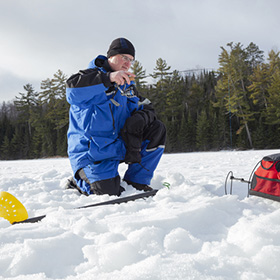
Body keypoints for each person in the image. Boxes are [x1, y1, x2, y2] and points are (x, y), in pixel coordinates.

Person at [66, 38, 166, 196]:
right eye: (124, 57)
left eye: (131, 60)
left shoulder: (126, 86)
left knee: (156, 128)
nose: (127, 63)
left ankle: (137, 182)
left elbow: (147, 107)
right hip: (91, 155)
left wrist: (140, 118)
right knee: (107, 193)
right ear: (110, 57)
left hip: (116, 148)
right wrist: (108, 78)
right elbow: (72, 91)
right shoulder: (91, 78)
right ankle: (79, 180)